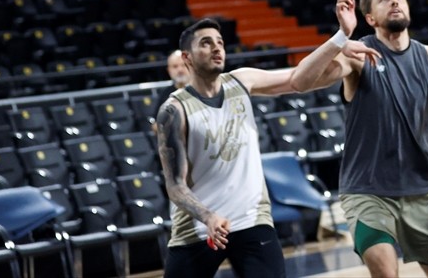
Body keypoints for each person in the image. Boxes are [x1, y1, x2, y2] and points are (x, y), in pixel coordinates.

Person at [288, 0, 428, 278]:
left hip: (419, 190)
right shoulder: (358, 53)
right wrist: (341, 38)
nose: (395, 1)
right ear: (370, 18)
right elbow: (299, 81)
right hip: (368, 192)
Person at [156, 17, 379, 278]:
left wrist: (338, 44)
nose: (217, 48)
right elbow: (175, 185)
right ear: (187, 57)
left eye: (220, 42)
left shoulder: (241, 81)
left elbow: (299, 79)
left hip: (252, 219)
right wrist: (208, 217)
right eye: (206, 43)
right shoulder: (174, 110)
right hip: (199, 228)